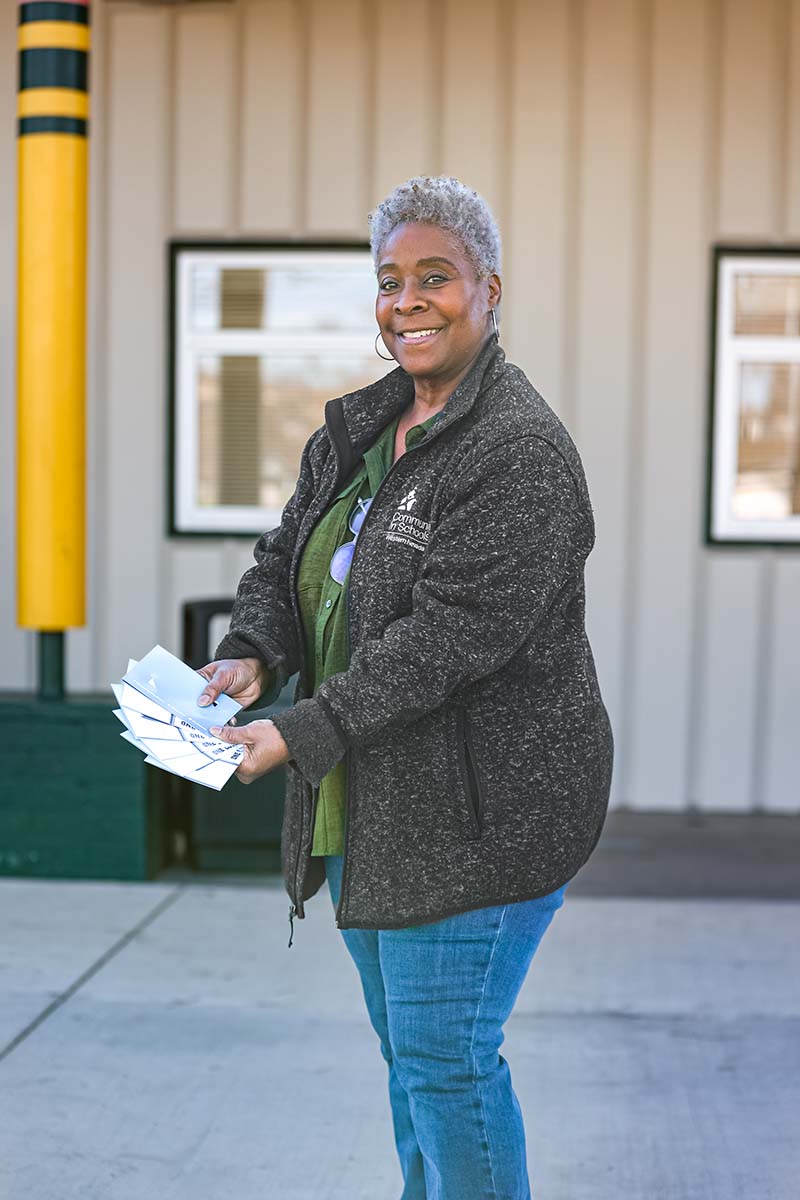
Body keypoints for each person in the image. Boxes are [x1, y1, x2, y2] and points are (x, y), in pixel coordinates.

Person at [197, 175, 614, 1200]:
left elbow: (445, 645)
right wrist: (251, 650)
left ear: (488, 290)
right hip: (372, 813)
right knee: (415, 1067)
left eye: (435, 276)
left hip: (473, 822)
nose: (407, 299)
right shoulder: (356, 432)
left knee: (446, 1064)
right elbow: (283, 560)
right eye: (389, 281)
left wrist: (296, 727)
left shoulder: (517, 451)